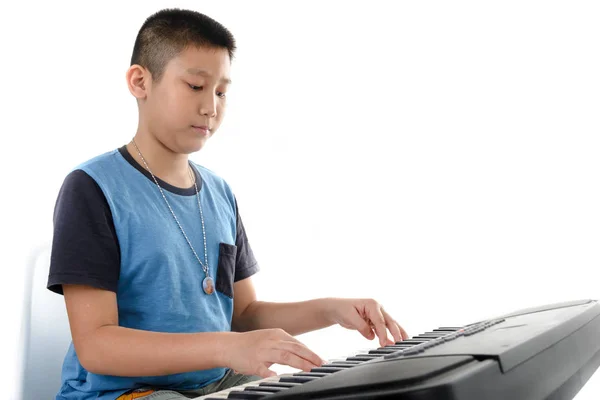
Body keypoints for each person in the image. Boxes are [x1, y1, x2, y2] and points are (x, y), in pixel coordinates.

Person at [47, 8, 409, 400]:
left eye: (221, 92)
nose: (211, 107)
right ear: (140, 81)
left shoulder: (219, 193)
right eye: (195, 86)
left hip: (213, 383)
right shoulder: (92, 188)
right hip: (123, 393)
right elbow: (97, 346)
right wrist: (227, 348)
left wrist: (331, 311)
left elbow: (244, 316)